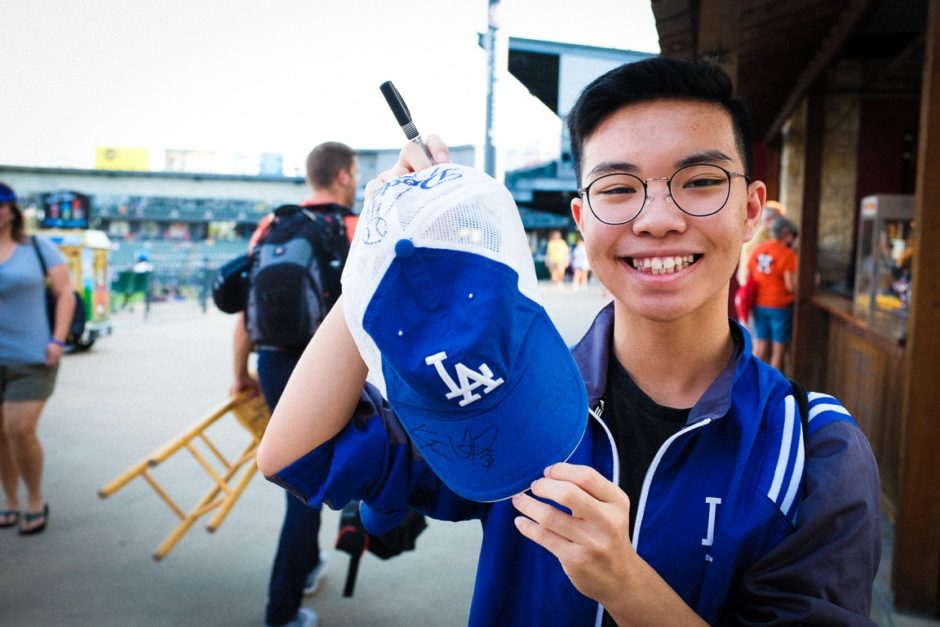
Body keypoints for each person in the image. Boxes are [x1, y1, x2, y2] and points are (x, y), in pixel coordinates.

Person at [256, 58, 881, 625]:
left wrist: (628, 587)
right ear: (582, 222)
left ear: (751, 210)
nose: (657, 219)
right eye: (617, 188)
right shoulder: (509, 394)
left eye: (698, 181)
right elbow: (294, 454)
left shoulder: (812, 450)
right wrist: (383, 246)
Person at [230, 142, 358, 627]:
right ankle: (279, 612)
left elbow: (246, 313)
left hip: (275, 366)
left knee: (298, 473)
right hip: (330, 371)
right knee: (308, 486)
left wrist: (239, 373)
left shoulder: (270, 226)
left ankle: (305, 569)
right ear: (344, 175)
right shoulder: (352, 227)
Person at [0, 181, 76, 535]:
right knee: (1, 433)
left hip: (32, 356)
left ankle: (34, 499)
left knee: (20, 429)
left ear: (12, 210)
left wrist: (58, 339)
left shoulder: (37, 248)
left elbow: (65, 293)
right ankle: (10, 500)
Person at [746, 216, 799, 371]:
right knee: (778, 351)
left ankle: (751, 384)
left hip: (758, 304)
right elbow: (790, 286)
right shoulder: (788, 254)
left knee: (760, 347)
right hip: (779, 307)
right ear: (787, 234)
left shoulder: (759, 249)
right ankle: (772, 391)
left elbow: (749, 276)